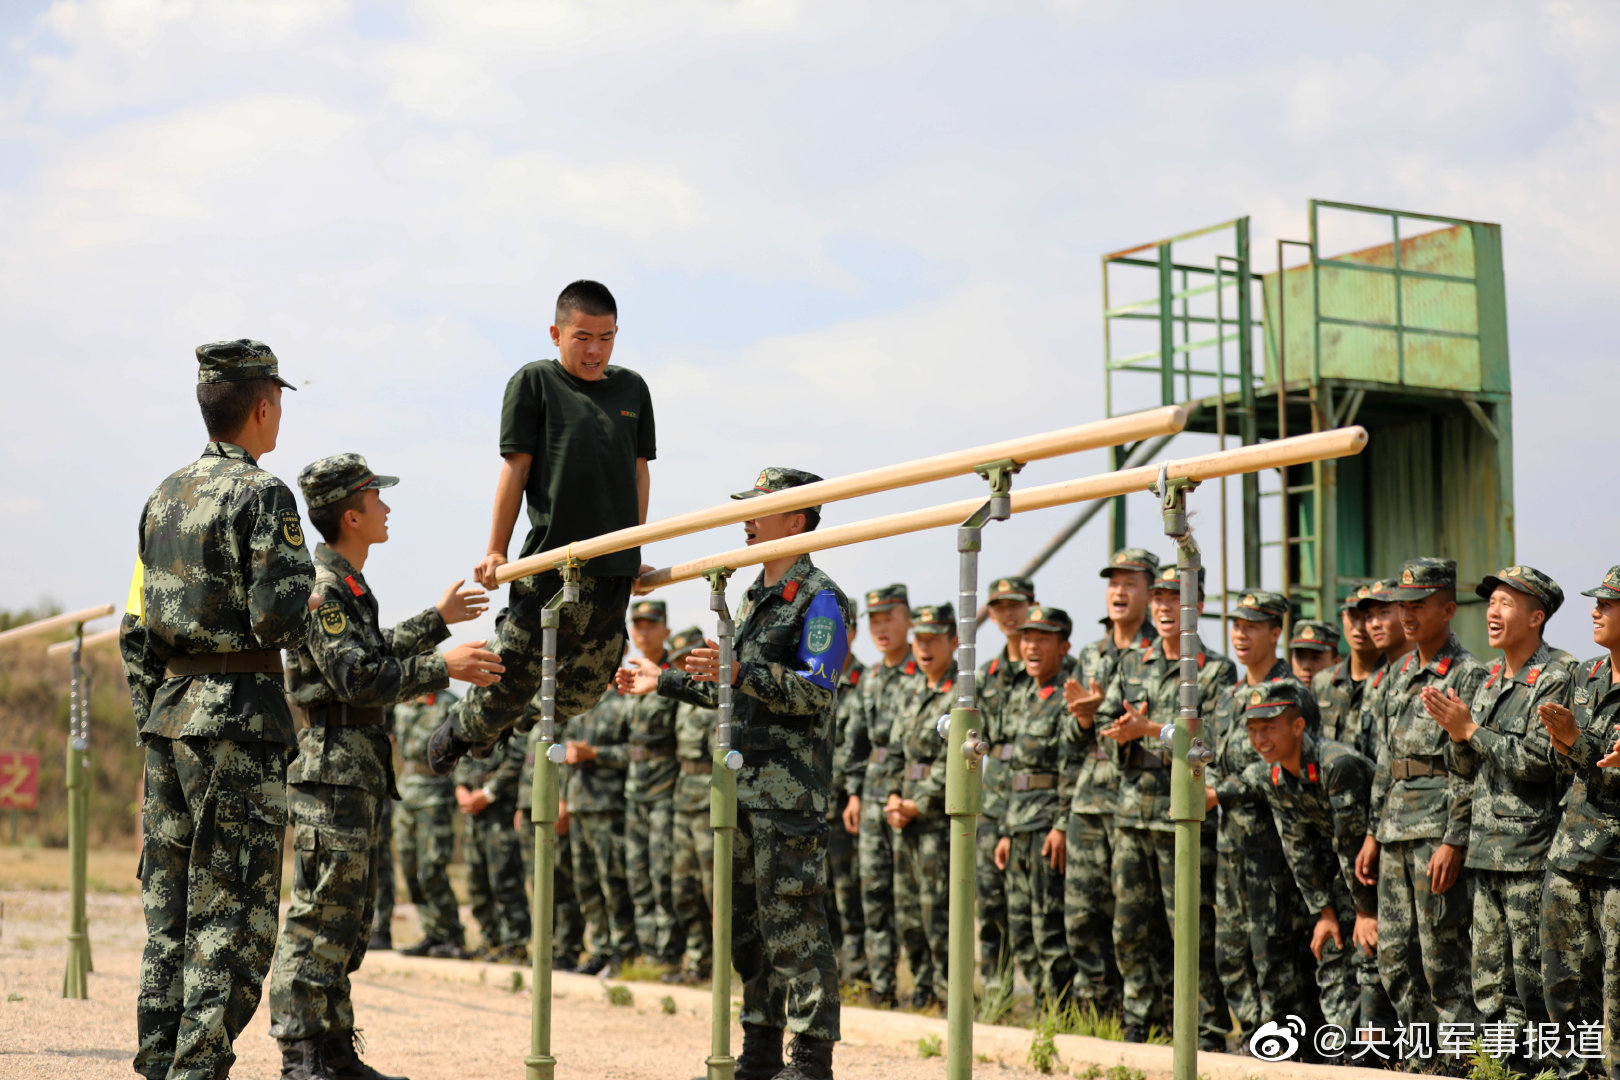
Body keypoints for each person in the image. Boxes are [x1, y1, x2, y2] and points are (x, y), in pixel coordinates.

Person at [120, 340, 315, 1080]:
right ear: (264, 405)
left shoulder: (162, 498)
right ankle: (197, 1070)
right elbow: (277, 619)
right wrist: (308, 596)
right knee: (232, 912)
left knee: (169, 907)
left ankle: (159, 1059)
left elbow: (135, 627)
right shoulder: (264, 495)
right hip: (237, 722)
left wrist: (156, 713)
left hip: (170, 722)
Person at [270, 453, 499, 1080]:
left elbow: (370, 651)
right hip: (331, 770)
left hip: (355, 770)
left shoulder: (348, 586)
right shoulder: (323, 589)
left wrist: (436, 621)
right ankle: (301, 1054)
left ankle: (335, 1050)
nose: (388, 507)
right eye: (378, 497)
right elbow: (358, 676)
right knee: (319, 914)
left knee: (350, 915)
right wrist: (443, 665)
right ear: (352, 513)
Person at [620, 466, 850, 1080]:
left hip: (787, 793)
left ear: (796, 520)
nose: (747, 518)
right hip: (741, 789)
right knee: (745, 925)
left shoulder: (820, 597)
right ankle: (759, 1047)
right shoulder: (753, 596)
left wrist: (741, 672)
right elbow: (735, 692)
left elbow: (815, 692)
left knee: (793, 921)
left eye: (760, 508)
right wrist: (662, 679)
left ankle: (809, 1056)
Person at [430, 280, 656, 773]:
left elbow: (639, 472)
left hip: (612, 568)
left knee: (584, 690)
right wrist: (496, 550)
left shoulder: (632, 389)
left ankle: (508, 724)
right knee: (509, 678)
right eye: (582, 337)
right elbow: (517, 469)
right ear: (556, 333)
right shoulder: (535, 382)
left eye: (606, 337)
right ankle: (463, 727)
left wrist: (634, 548)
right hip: (553, 563)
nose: (595, 350)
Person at [1428, 565, 1571, 1071]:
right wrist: (1454, 732)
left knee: (1531, 981)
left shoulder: (1557, 676)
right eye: (1491, 602)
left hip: (1530, 853)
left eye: (1506, 603)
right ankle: (1499, 1069)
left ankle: (1538, 1070)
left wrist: (1471, 731)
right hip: (1486, 852)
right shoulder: (1489, 678)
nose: (1492, 610)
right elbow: (1468, 767)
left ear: (1536, 617)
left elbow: (1538, 761)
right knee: (1488, 979)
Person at [1095, 564, 1232, 1047]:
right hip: (1132, 813)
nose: (1166, 607)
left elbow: (1215, 742)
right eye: (1159, 597)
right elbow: (1107, 728)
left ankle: (1206, 1027)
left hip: (1184, 817)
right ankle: (1142, 1018)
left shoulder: (1215, 670)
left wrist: (1152, 732)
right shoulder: (1132, 662)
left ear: (1198, 604)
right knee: (1130, 927)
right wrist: (1120, 733)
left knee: (1190, 928)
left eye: (1177, 597)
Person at [1357, 557, 1488, 1030]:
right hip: (1394, 829)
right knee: (1393, 957)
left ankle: (1461, 1061)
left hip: (1436, 830)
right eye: (1402, 605)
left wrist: (1455, 839)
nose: (1407, 614)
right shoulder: (1395, 672)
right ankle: (1422, 1058)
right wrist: (1372, 833)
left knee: (1442, 957)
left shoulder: (1468, 674)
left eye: (1420, 604)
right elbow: (1385, 760)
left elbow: (1469, 765)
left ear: (1448, 608)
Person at [1207, 590, 1319, 1042]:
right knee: (1231, 954)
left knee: (1275, 957)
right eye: (1236, 625)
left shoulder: (1292, 694)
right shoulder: (1228, 695)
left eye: (1252, 626)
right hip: (1231, 845)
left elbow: (1285, 764)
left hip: (1275, 847)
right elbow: (1214, 755)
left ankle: (1287, 1052)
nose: (1240, 634)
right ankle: (1257, 1041)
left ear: (1276, 632)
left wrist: (1223, 791)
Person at [1241, 679, 1378, 1039]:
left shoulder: (1337, 765)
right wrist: (1324, 913)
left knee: (1372, 954)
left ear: (1298, 726)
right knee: (1332, 949)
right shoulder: (1274, 773)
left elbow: (1354, 844)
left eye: (1268, 728)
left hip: (1379, 869)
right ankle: (1343, 1046)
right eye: (1253, 730)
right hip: (1343, 871)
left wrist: (1364, 912)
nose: (1259, 739)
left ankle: (1383, 1052)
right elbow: (1297, 847)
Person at [1063, 548, 1159, 1016]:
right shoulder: (1090, 654)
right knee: (1081, 915)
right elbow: (1070, 738)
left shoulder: (1158, 652)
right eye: (1113, 583)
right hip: (1089, 798)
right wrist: (1082, 719)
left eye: (1131, 583)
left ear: (1150, 591)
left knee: (1133, 919)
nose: (1119, 592)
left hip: (1135, 798)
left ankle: (1143, 1012)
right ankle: (1096, 1011)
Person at [1538, 565, 1620, 1080]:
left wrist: (1576, 743)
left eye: (1608, 604)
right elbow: (1563, 763)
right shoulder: (1584, 675)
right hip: (1571, 853)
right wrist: (1566, 742)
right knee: (1562, 982)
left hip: (1617, 865)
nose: (1595, 611)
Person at [990, 605, 1079, 1011]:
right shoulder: (1023, 694)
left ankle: (1058, 1013)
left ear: (1063, 646)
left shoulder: (1068, 695)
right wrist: (1007, 830)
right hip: (1019, 823)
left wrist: (1061, 825)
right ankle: (1044, 1008)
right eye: (1027, 638)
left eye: (1042, 638)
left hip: (1047, 826)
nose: (1031, 646)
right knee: (1021, 927)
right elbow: (1011, 767)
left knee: (1049, 928)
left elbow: (1071, 765)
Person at [838, 583, 919, 1009]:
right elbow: (855, 744)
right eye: (875, 620)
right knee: (871, 896)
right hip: (870, 799)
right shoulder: (869, 680)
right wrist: (853, 794)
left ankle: (924, 986)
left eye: (890, 617)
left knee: (910, 899)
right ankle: (882, 985)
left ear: (908, 618)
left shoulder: (920, 673)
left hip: (909, 800)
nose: (882, 627)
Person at [884, 603, 959, 1011]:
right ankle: (923, 986)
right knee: (908, 911)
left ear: (954, 641)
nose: (924, 647)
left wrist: (918, 802)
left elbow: (957, 762)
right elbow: (896, 752)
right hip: (906, 816)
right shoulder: (913, 691)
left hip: (937, 819)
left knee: (939, 911)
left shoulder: (961, 695)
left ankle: (951, 993)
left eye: (933, 639)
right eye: (919, 639)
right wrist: (895, 798)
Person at [974, 574, 1037, 990]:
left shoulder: (1045, 668)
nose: (1008, 614)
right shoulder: (987, 675)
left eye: (1016, 605)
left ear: (1032, 605)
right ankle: (997, 994)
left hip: (1035, 799)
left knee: (1030, 905)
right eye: (1000, 607)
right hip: (994, 799)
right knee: (991, 900)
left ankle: (1042, 994)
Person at [620, 599, 684, 967]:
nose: (643, 632)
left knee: (663, 874)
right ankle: (647, 952)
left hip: (665, 792)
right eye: (638, 625)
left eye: (650, 625)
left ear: (665, 630)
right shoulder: (627, 677)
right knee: (637, 873)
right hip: (634, 790)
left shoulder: (672, 678)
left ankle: (668, 953)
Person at [565, 678, 639, 975]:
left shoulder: (624, 705)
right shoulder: (579, 705)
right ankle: (600, 948)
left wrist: (595, 754)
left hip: (608, 808)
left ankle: (624, 951)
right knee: (586, 884)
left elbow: (634, 753)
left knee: (613, 882)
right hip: (578, 805)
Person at [515, 694, 587, 973]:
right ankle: (546, 947)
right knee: (537, 881)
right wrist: (523, 805)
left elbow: (568, 761)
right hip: (532, 806)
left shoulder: (567, 712)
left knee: (561, 880)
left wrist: (564, 802)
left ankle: (567, 948)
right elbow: (529, 768)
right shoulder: (532, 718)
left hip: (555, 806)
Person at [395, 690, 468, 958]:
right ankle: (432, 933)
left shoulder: (448, 704)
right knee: (409, 866)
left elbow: (462, 748)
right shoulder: (402, 704)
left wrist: (463, 787)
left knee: (432, 867)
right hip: (406, 795)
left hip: (435, 795)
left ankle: (452, 935)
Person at [663, 628, 715, 985]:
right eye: (679, 662)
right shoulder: (679, 706)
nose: (684, 667)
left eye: (690, 660)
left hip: (712, 803)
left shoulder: (716, 701)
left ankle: (727, 965)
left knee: (717, 890)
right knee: (683, 888)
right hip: (684, 801)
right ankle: (699, 960)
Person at [454, 735, 531, 963]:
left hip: (501, 810)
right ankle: (491, 941)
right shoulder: (472, 721)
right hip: (474, 813)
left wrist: (488, 793)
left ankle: (515, 944)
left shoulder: (512, 719)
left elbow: (517, 759)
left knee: (505, 879)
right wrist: (461, 787)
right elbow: (459, 753)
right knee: (476, 880)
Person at [826, 605, 866, 985]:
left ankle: (858, 976)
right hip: (814, 805)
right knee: (819, 896)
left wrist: (855, 793)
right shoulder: (814, 676)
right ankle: (830, 974)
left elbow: (865, 748)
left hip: (846, 808)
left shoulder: (865, 682)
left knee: (850, 894)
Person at [1313, 585, 1381, 755]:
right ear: (1343, 617)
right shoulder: (1323, 683)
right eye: (1353, 617)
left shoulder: (1393, 681)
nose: (1359, 627)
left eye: (1367, 617)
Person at [1289, 619, 1340, 685]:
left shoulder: (1346, 694)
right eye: (1300, 657)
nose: (1306, 666)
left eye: (1315, 658)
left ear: (1336, 663)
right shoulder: (1278, 693)